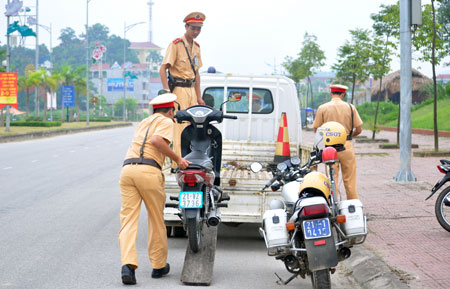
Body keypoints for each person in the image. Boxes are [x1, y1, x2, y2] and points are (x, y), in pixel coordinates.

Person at [118, 93, 191, 285]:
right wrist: (178, 159)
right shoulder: (166, 121)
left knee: (128, 221)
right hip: (149, 171)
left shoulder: (144, 122)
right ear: (169, 111)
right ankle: (158, 266)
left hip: (127, 170)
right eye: (173, 112)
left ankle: (128, 265)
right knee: (156, 218)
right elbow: (157, 141)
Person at [159, 12, 206, 170]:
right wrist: (167, 92)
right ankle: (177, 163)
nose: (196, 32)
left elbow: (197, 73)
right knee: (179, 127)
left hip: (192, 89)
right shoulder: (176, 45)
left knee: (193, 126)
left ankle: (192, 159)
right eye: (193, 28)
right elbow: (163, 68)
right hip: (178, 90)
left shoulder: (197, 47)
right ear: (186, 26)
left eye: (199, 29)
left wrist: (199, 97)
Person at [313, 84, 363, 200]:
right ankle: (352, 205)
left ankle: (335, 205)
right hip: (346, 146)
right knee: (350, 180)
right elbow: (359, 130)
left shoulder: (323, 108)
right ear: (343, 94)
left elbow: (316, 130)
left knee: (332, 179)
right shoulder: (350, 107)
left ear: (331, 94)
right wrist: (348, 136)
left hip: (329, 148)